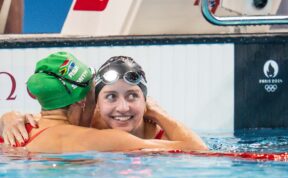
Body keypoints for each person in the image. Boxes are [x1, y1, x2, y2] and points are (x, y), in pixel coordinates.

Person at [0, 51, 207, 153]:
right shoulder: (100, 139)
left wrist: (7, 118)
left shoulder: (20, 130)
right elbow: (198, 152)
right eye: (93, 94)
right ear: (81, 102)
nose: (122, 107)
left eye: (133, 96)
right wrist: (160, 113)